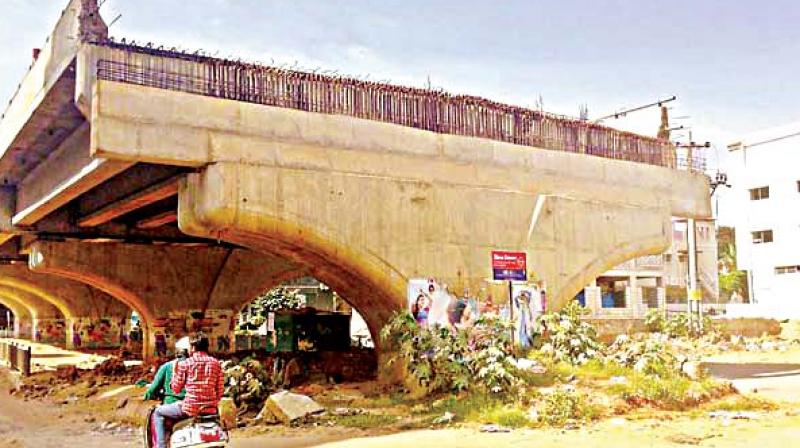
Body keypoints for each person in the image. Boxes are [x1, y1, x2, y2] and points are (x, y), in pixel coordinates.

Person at [153, 334, 224, 448]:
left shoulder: (186, 364)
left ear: (193, 348)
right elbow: (220, 391)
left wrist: (173, 381)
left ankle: (161, 446)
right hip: (211, 409)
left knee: (158, 412)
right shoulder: (216, 363)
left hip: (190, 409)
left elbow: (176, 388)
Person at [143, 337, 189, 404]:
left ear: (177, 353)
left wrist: (147, 396)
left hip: (172, 403)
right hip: (195, 405)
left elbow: (153, 389)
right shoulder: (198, 367)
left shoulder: (167, 366)